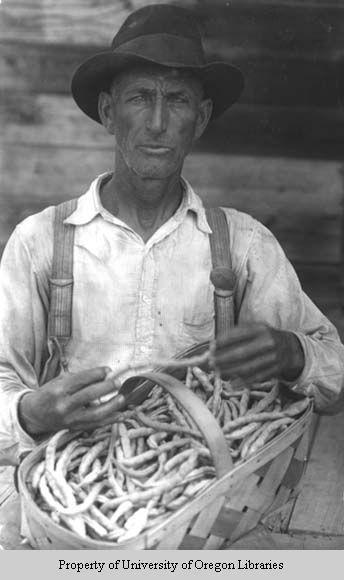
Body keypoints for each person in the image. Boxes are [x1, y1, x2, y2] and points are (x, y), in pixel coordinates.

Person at [0, 3, 343, 467]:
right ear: (108, 111)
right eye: (140, 97)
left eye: (177, 100)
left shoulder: (244, 245)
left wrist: (291, 352)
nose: (158, 122)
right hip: (68, 488)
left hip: (198, 497)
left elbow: (335, 376)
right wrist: (31, 411)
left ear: (199, 119)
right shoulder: (40, 242)